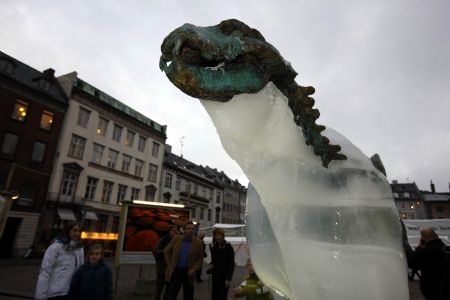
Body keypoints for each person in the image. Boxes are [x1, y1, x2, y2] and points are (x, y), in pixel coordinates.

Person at [35, 221, 84, 300]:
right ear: (68, 231)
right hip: (55, 293)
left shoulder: (79, 249)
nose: (77, 233)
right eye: (74, 230)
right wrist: (40, 296)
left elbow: (80, 271)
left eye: (79, 231)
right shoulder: (56, 247)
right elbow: (45, 271)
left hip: (71, 292)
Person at [164, 221, 204, 300]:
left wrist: (194, 269)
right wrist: (169, 263)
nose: (191, 231)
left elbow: (200, 258)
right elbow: (167, 251)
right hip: (176, 271)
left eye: (192, 229)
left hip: (189, 272)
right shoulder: (176, 239)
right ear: (184, 230)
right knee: (171, 295)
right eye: (189, 229)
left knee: (188, 296)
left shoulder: (198, 242)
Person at [409, 227, 446, 300]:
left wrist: (419, 248)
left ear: (423, 239)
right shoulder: (445, 248)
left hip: (431, 288)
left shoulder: (425, 252)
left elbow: (412, 263)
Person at [153, 225, 179, 300]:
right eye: (173, 231)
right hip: (162, 267)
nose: (175, 233)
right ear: (169, 231)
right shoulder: (163, 240)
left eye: (176, 231)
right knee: (159, 289)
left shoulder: (177, 241)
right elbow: (156, 252)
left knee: (169, 290)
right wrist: (166, 250)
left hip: (172, 269)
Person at [208, 228, 235, 300]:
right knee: (214, 296)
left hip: (224, 278)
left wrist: (228, 279)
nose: (217, 237)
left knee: (222, 297)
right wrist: (211, 266)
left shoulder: (228, 247)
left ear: (223, 236)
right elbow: (214, 262)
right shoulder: (214, 247)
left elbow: (231, 264)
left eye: (219, 235)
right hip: (215, 277)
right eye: (216, 235)